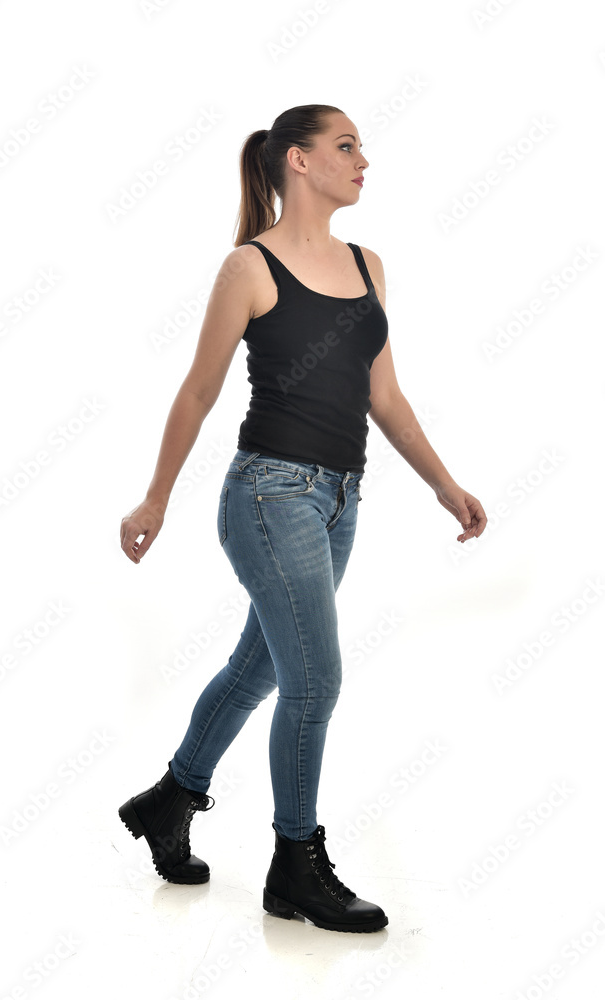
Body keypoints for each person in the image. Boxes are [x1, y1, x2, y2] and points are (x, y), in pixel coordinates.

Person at [118, 104, 487, 933]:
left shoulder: (367, 266)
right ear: (298, 160)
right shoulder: (248, 267)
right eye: (346, 146)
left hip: (338, 501)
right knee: (314, 681)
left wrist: (444, 485)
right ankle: (295, 864)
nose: (364, 160)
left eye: (361, 147)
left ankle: (172, 797)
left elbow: (385, 398)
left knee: (259, 670)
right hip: (268, 495)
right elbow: (199, 391)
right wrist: (156, 498)